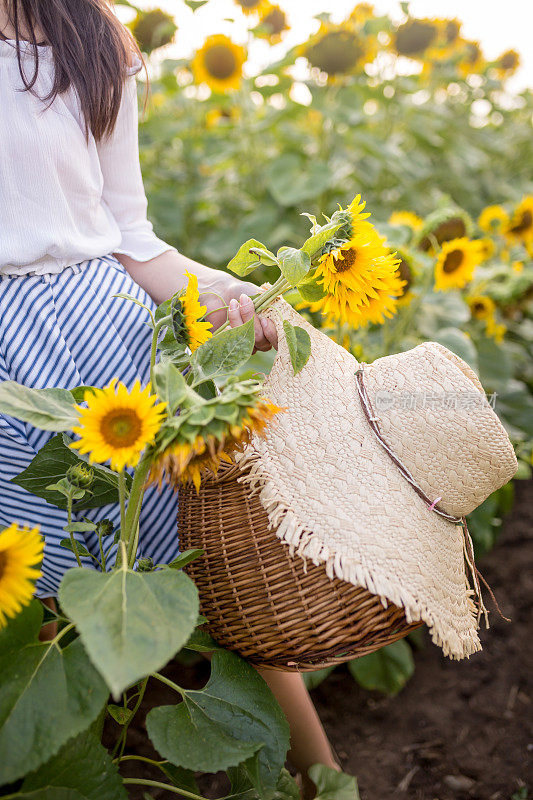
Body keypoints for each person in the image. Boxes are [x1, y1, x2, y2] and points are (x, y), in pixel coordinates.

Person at [0, 2, 340, 796]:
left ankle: (323, 781)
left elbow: (130, 236)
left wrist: (228, 293)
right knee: (33, 605)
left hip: (111, 345)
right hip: (8, 366)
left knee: (211, 577)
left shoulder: (91, 39)